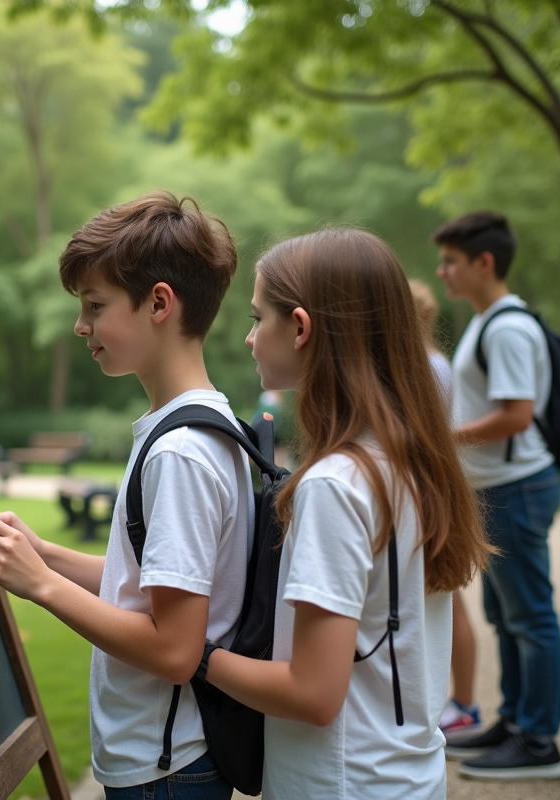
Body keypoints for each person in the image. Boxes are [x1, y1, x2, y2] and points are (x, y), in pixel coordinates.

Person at [0, 191, 251, 799]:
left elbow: (175, 649)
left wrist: (40, 584)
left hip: (168, 768)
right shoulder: (200, 426)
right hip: (172, 758)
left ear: (159, 303)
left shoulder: (179, 452)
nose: (80, 325)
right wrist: (44, 552)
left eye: (95, 305)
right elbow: (150, 582)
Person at [198, 228, 492, 799]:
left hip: (338, 782)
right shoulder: (412, 461)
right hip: (405, 776)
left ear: (302, 328)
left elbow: (313, 693)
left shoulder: (337, 484)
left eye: (259, 319)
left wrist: (198, 657)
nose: (248, 338)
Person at [433, 211, 560, 780]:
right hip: (498, 488)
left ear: (483, 262)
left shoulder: (507, 327)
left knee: (530, 615)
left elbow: (516, 417)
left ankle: (539, 741)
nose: (442, 272)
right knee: (506, 613)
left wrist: (441, 437)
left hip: (517, 487)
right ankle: (515, 721)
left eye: (451, 262)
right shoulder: (489, 321)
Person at [409, 279, 481, 737]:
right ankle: (456, 701)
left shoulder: (426, 368)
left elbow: (423, 436)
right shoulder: (435, 364)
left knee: (447, 600)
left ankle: (466, 702)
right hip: (433, 485)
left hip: (427, 488)